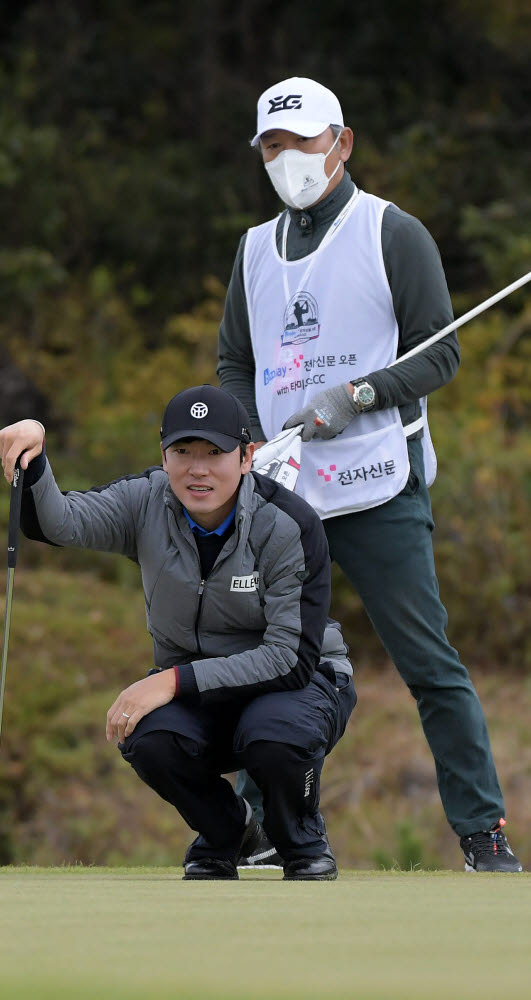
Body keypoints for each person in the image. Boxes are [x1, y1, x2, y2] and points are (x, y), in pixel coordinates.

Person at [217, 76, 522, 873]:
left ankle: (481, 833)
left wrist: (359, 395)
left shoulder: (391, 231)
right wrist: (248, 440)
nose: (289, 160)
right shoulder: (253, 249)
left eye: (304, 143)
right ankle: (253, 826)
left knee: (428, 663)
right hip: (281, 495)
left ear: (341, 143)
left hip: (376, 484)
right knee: (267, 662)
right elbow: (233, 362)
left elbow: (440, 350)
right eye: (273, 147)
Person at [0, 384, 356, 880]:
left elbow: (289, 660)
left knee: (274, 736)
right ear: (163, 456)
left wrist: (169, 681)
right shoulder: (145, 502)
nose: (197, 468)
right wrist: (34, 453)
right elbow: (59, 523)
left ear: (247, 457)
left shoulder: (288, 523)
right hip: (203, 691)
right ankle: (230, 832)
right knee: (148, 737)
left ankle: (299, 839)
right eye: (183, 452)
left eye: (215, 453)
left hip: (301, 684)